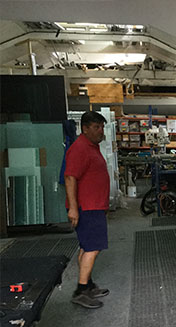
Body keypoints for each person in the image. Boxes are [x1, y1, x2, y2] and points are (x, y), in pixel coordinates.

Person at [64, 111, 110, 309]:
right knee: (92, 248)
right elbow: (70, 177)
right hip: (87, 207)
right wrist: (74, 208)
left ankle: (88, 285)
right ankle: (81, 291)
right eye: (96, 127)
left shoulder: (91, 147)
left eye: (102, 127)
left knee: (86, 247)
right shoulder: (80, 148)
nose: (101, 131)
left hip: (94, 206)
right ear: (85, 128)